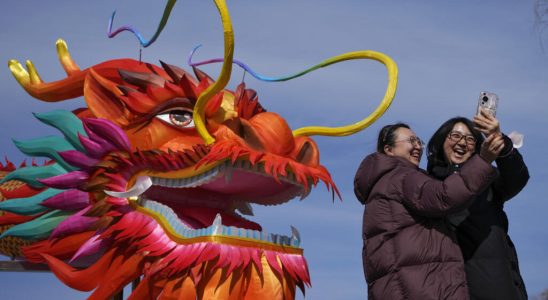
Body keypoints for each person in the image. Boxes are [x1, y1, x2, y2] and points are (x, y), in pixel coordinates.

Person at [354, 122, 503, 300]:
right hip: (423, 289)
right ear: (389, 149)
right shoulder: (402, 176)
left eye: (419, 141)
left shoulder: (378, 187)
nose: (417, 146)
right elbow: (444, 197)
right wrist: (483, 160)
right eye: (411, 141)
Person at [426, 111, 529, 300]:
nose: (462, 143)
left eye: (470, 139)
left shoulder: (487, 182)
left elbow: (517, 179)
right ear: (441, 142)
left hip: (496, 286)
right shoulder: (427, 186)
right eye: (455, 136)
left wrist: (500, 142)